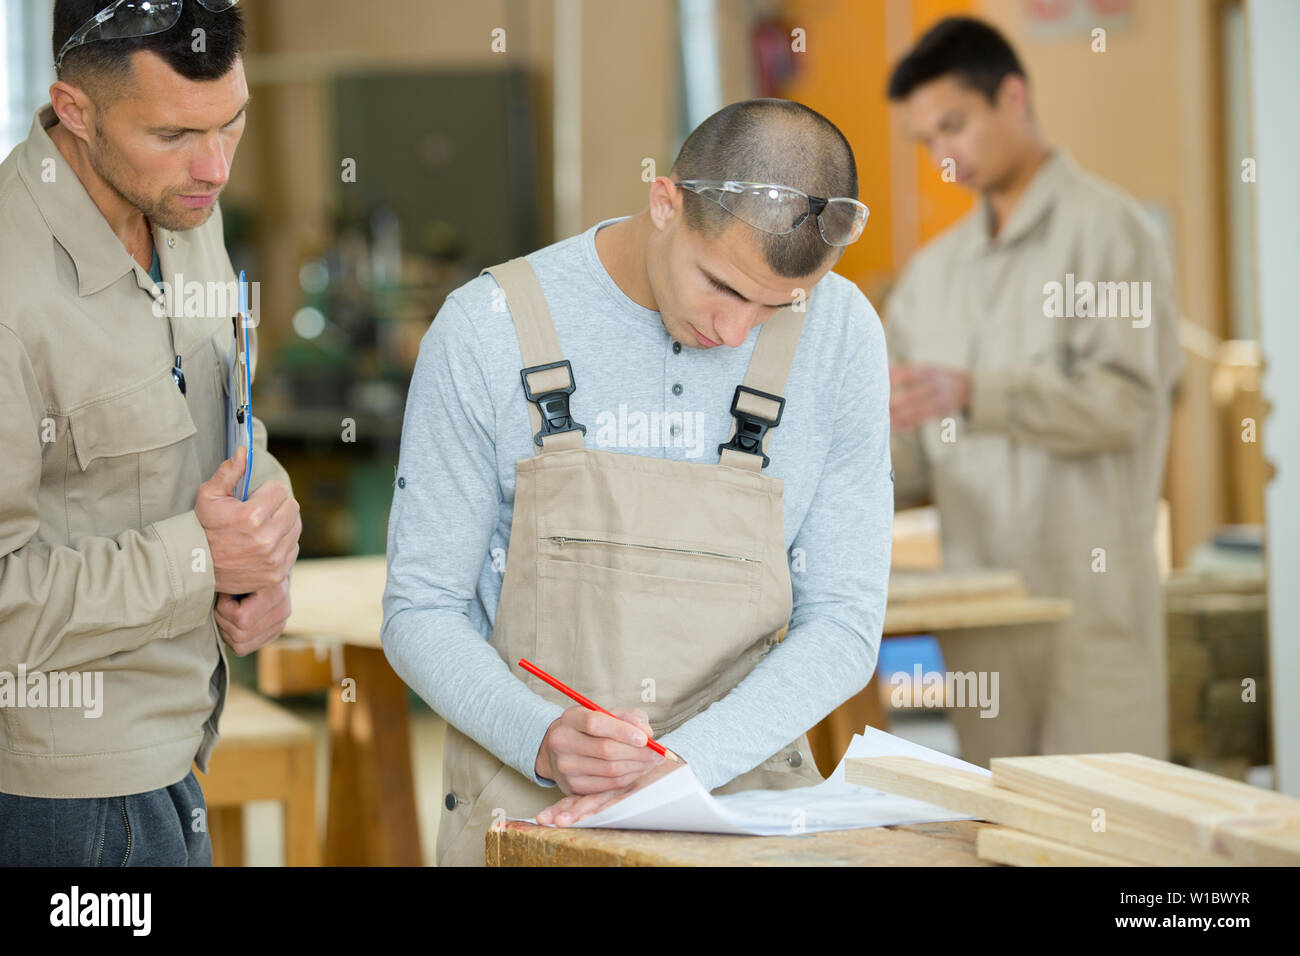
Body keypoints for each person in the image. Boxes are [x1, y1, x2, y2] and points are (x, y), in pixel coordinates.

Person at [382, 98, 893, 866]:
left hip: (742, 809)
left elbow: (846, 622)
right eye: (720, 285)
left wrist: (683, 767)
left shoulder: (844, 331)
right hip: (531, 815)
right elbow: (420, 609)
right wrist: (543, 740)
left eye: (776, 307)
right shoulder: (487, 326)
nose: (735, 332)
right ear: (666, 202)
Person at [0, 0, 300, 865]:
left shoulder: (183, 214)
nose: (214, 169)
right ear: (76, 109)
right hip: (61, 803)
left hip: (181, 749)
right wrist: (206, 558)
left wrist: (268, 537)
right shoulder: (13, 299)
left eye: (232, 124)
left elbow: (224, 423)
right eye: (172, 134)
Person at [884, 17, 1183, 766]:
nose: (944, 156)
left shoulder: (1112, 233)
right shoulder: (931, 277)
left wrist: (976, 391)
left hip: (1089, 616)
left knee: (1105, 835)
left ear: (1013, 95)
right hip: (979, 617)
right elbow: (912, 459)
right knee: (997, 833)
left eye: (954, 125)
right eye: (927, 142)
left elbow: (1125, 406)